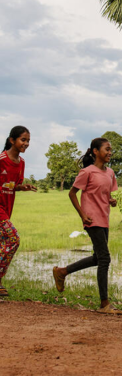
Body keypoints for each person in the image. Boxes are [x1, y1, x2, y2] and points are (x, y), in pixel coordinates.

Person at [53, 138, 122, 314]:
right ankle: (104, 304)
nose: (109, 152)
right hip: (92, 220)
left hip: (104, 218)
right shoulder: (87, 172)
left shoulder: (110, 173)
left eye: (110, 149)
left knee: (98, 258)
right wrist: (83, 215)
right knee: (105, 259)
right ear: (95, 151)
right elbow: (72, 194)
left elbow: (104, 194)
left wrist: (110, 201)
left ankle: (62, 272)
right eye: (106, 149)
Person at [0, 126, 37, 296]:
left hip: (7, 208)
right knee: (13, 239)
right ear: (12, 140)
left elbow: (12, 185)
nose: (26, 143)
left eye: (28, 140)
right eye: (23, 139)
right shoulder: (1, 160)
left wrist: (23, 187)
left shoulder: (21, 163)